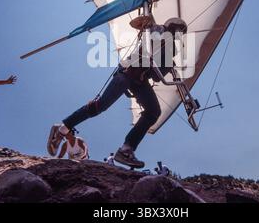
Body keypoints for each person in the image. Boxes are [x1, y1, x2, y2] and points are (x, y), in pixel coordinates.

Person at [47, 18, 188, 168]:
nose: (179, 36)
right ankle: (62, 128)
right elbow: (137, 25)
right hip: (127, 72)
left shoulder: (170, 47)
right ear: (172, 28)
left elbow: (155, 76)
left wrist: (169, 62)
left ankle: (126, 150)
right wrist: (148, 23)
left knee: (153, 111)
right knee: (100, 106)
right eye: (179, 32)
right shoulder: (159, 30)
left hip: (140, 80)